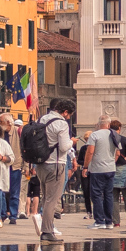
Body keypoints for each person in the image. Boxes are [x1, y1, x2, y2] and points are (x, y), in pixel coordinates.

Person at [31, 98, 76, 241]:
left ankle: (47, 228)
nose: (68, 118)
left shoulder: (42, 119)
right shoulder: (61, 124)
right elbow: (63, 147)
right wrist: (72, 142)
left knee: (46, 197)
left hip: (40, 164)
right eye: (69, 115)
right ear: (65, 112)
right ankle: (47, 231)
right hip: (56, 164)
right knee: (52, 199)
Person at [82, 118, 126, 229]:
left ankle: (99, 221)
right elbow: (118, 153)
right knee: (108, 195)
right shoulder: (115, 135)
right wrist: (111, 162)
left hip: (97, 169)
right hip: (110, 169)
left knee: (96, 194)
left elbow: (90, 151)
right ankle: (109, 221)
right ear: (108, 124)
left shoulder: (94, 135)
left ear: (98, 124)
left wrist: (86, 166)